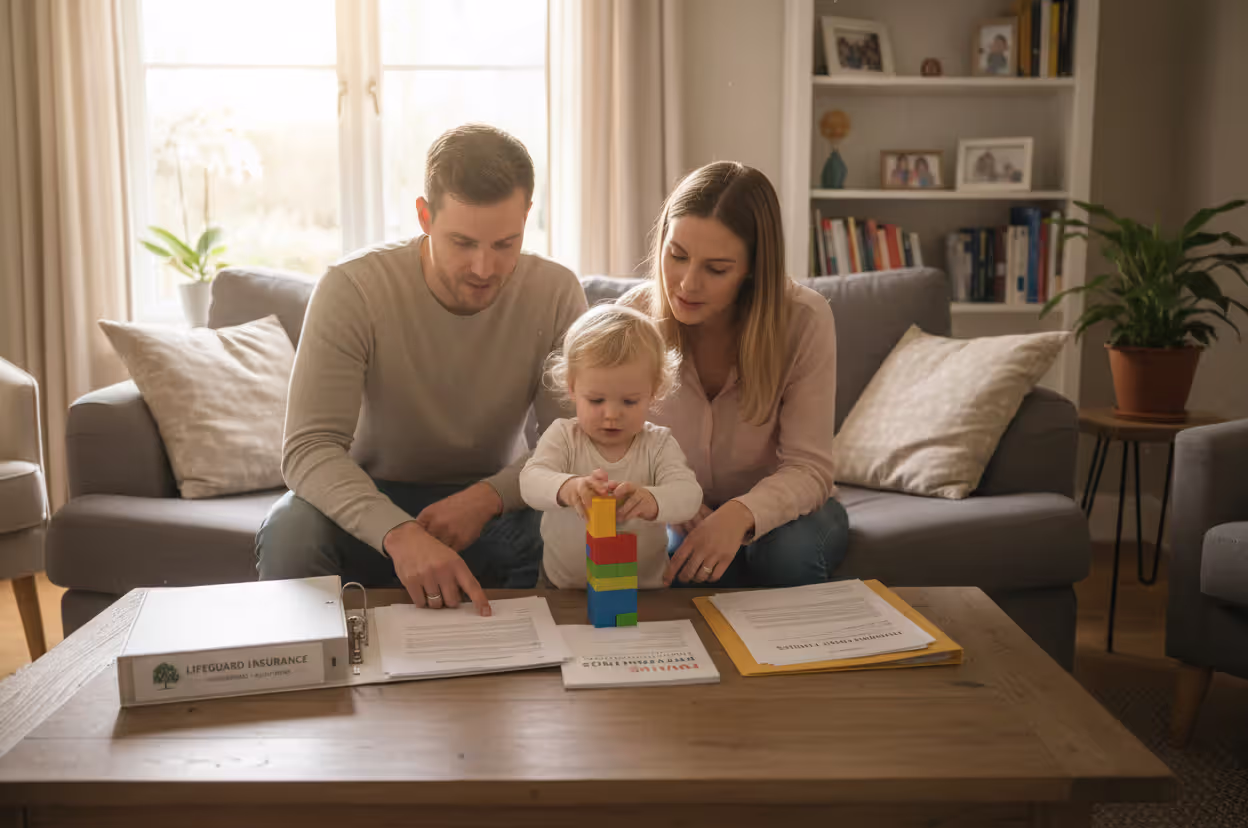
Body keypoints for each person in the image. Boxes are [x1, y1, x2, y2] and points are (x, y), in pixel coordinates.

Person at [256, 124, 588, 615]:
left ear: (527, 217)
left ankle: (541, 676)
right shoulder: (352, 288)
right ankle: (311, 683)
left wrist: (486, 499)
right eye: (462, 242)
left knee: (579, 527)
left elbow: (569, 439)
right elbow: (308, 449)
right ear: (424, 216)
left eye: (504, 244)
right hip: (370, 499)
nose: (483, 268)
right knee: (290, 530)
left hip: (498, 501)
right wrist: (399, 532)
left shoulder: (557, 292)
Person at [622, 162, 850, 588]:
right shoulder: (633, 318)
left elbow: (809, 468)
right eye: (677, 256)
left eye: (716, 268)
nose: (687, 284)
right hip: (680, 513)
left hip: (787, 516)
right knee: (670, 561)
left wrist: (739, 515)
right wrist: (672, 500)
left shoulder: (803, 319)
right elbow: (610, 443)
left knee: (785, 553)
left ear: (752, 269)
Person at [519, 304, 703, 589]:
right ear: (572, 387)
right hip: (563, 588)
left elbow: (689, 496)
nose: (612, 414)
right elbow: (530, 483)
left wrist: (653, 500)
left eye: (629, 401)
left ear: (653, 393)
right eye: (596, 400)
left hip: (645, 590)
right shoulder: (564, 436)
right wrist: (570, 488)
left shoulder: (658, 444)